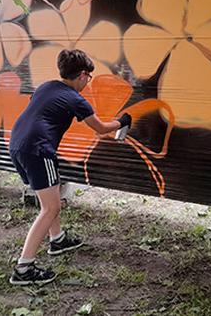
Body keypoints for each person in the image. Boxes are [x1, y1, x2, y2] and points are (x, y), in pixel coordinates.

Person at [8, 49, 132, 285]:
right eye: (90, 77)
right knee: (50, 208)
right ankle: (24, 268)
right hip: (38, 149)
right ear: (83, 75)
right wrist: (123, 121)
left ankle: (58, 239)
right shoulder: (76, 99)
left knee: (51, 196)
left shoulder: (46, 86)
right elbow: (102, 128)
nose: (88, 82)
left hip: (18, 144)